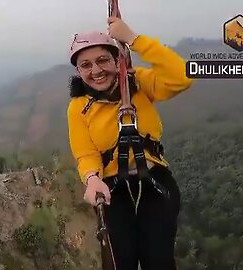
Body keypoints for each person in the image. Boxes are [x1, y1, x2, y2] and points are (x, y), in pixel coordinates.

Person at [67, 17, 193, 270]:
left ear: (117, 60)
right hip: (111, 186)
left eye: (103, 60)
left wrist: (134, 39)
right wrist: (92, 179)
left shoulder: (137, 83)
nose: (96, 70)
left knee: (157, 260)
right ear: (79, 71)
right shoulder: (79, 107)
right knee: (118, 261)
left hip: (154, 178)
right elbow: (86, 153)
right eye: (86, 65)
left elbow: (182, 77)